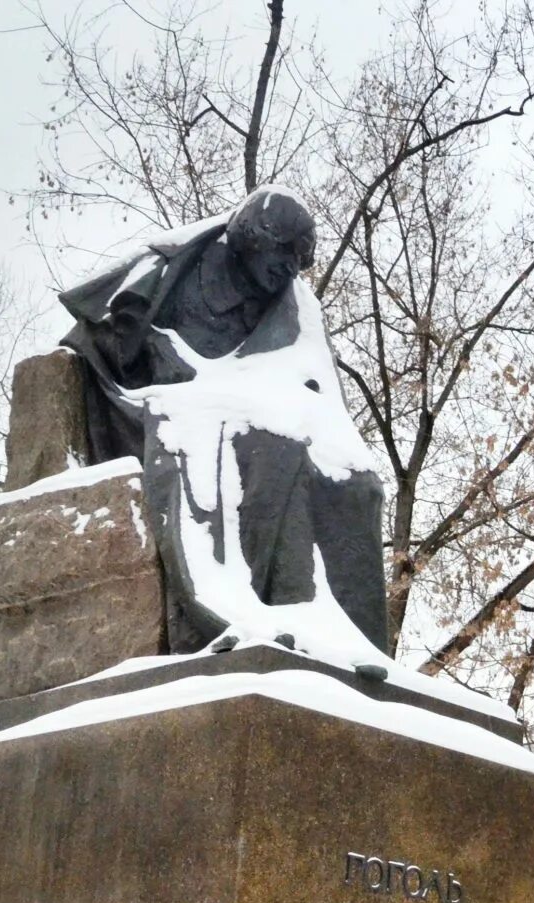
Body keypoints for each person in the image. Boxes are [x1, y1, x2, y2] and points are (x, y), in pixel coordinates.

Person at [56, 187, 390, 658]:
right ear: (252, 238)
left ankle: (354, 645)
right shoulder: (170, 270)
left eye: (299, 261)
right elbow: (105, 343)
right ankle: (248, 609)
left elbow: (315, 387)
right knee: (268, 445)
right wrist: (160, 355)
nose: (289, 270)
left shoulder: (296, 305)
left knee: (359, 485)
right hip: (164, 410)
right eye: (283, 253)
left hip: (258, 412)